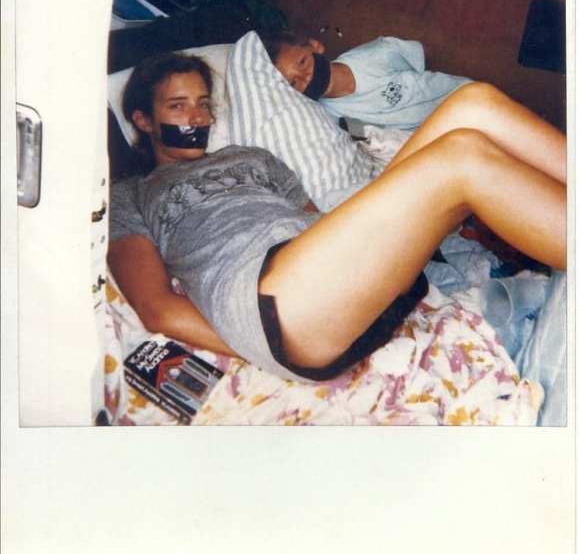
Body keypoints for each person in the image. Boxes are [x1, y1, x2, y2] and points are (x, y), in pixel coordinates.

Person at [108, 51, 566, 383]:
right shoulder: (131, 195)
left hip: (334, 279)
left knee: (473, 103)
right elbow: (157, 308)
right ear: (143, 120)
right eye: (178, 105)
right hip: (273, 306)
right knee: (462, 155)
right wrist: (258, 351)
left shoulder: (250, 156)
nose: (197, 117)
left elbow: (321, 222)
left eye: (204, 103)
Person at [262, 30, 472, 131]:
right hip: (433, 136)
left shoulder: (376, 55)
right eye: (293, 83)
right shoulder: (331, 117)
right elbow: (369, 137)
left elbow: (424, 53)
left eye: (302, 62)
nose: (306, 78)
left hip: (461, 100)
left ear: (316, 46)